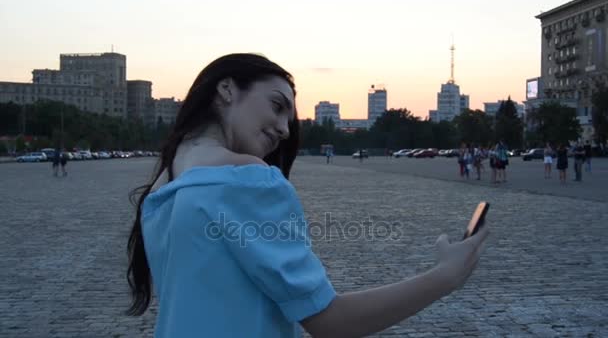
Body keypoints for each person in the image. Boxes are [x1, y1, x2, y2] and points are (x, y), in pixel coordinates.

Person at [125, 53, 489, 338]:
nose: (284, 130)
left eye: (290, 120)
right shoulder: (248, 181)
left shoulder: (162, 186)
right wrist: (444, 276)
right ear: (226, 90)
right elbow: (330, 322)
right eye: (277, 106)